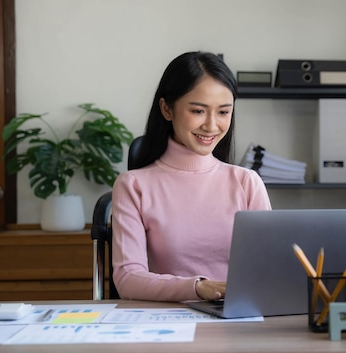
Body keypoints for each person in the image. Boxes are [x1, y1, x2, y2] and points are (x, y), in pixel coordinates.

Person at [111, 51, 272, 302]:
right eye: (198, 111)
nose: (211, 125)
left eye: (223, 112)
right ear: (167, 108)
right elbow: (128, 278)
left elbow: (268, 268)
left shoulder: (246, 182)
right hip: (166, 324)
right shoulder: (133, 185)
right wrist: (198, 288)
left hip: (238, 320)